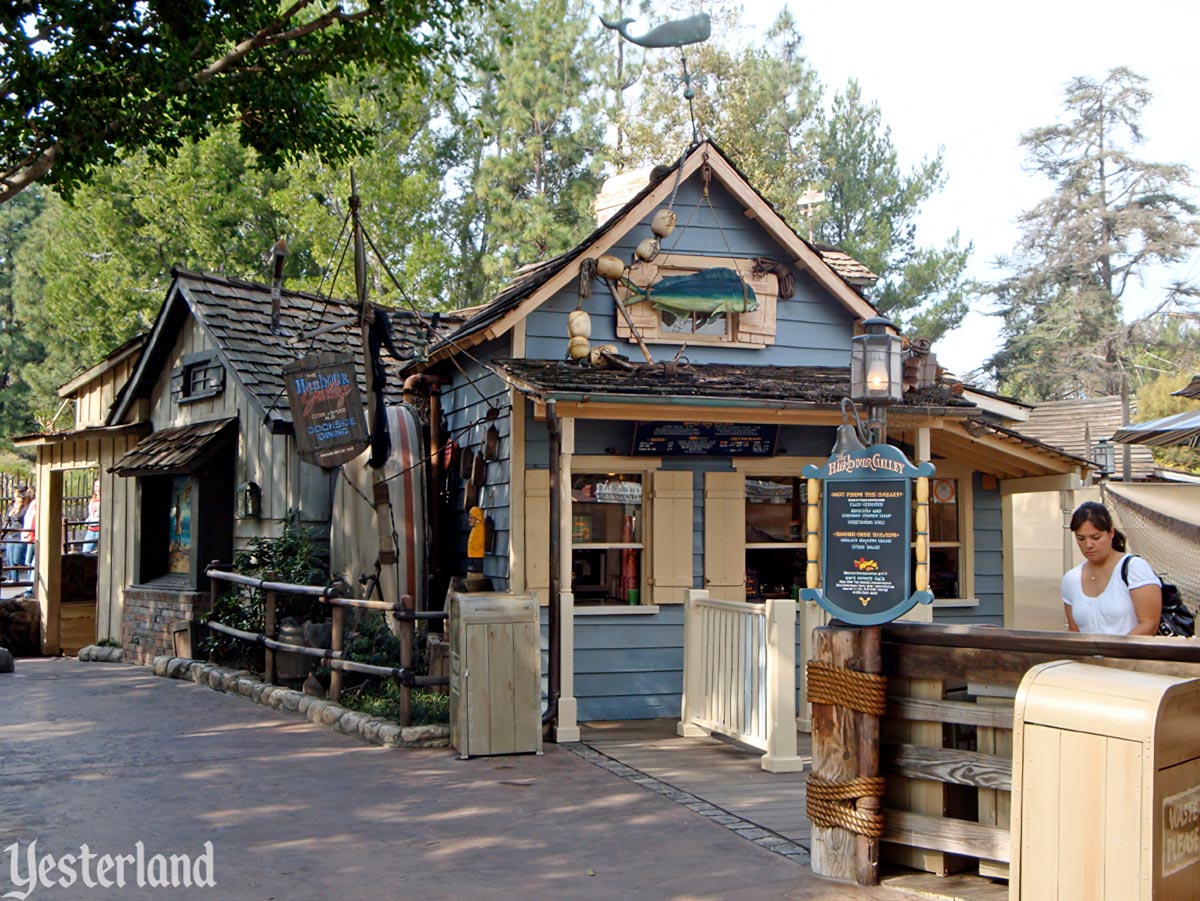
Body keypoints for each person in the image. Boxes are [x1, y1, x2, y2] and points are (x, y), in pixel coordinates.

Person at [1062, 501, 1162, 636]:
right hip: (1088, 656)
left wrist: (1115, 652)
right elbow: (1074, 630)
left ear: (1111, 533)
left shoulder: (1134, 568)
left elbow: (1149, 624)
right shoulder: (1071, 578)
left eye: (1096, 537)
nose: (1088, 545)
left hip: (1130, 655)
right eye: (1081, 538)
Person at [3, 489, 29, 582]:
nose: (16, 498)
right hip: (10, 534)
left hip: (18, 535)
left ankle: (22, 575)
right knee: (9, 559)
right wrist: (12, 511)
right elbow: (6, 519)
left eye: (18, 496)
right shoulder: (11, 507)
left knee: (16, 559)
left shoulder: (25, 508)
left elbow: (21, 518)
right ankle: (12, 578)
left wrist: (18, 509)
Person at [81, 479, 101, 554]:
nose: (97, 488)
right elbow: (91, 513)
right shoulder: (92, 500)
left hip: (99, 529)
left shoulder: (104, 500)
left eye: (99, 486)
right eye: (96, 486)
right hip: (91, 529)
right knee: (85, 551)